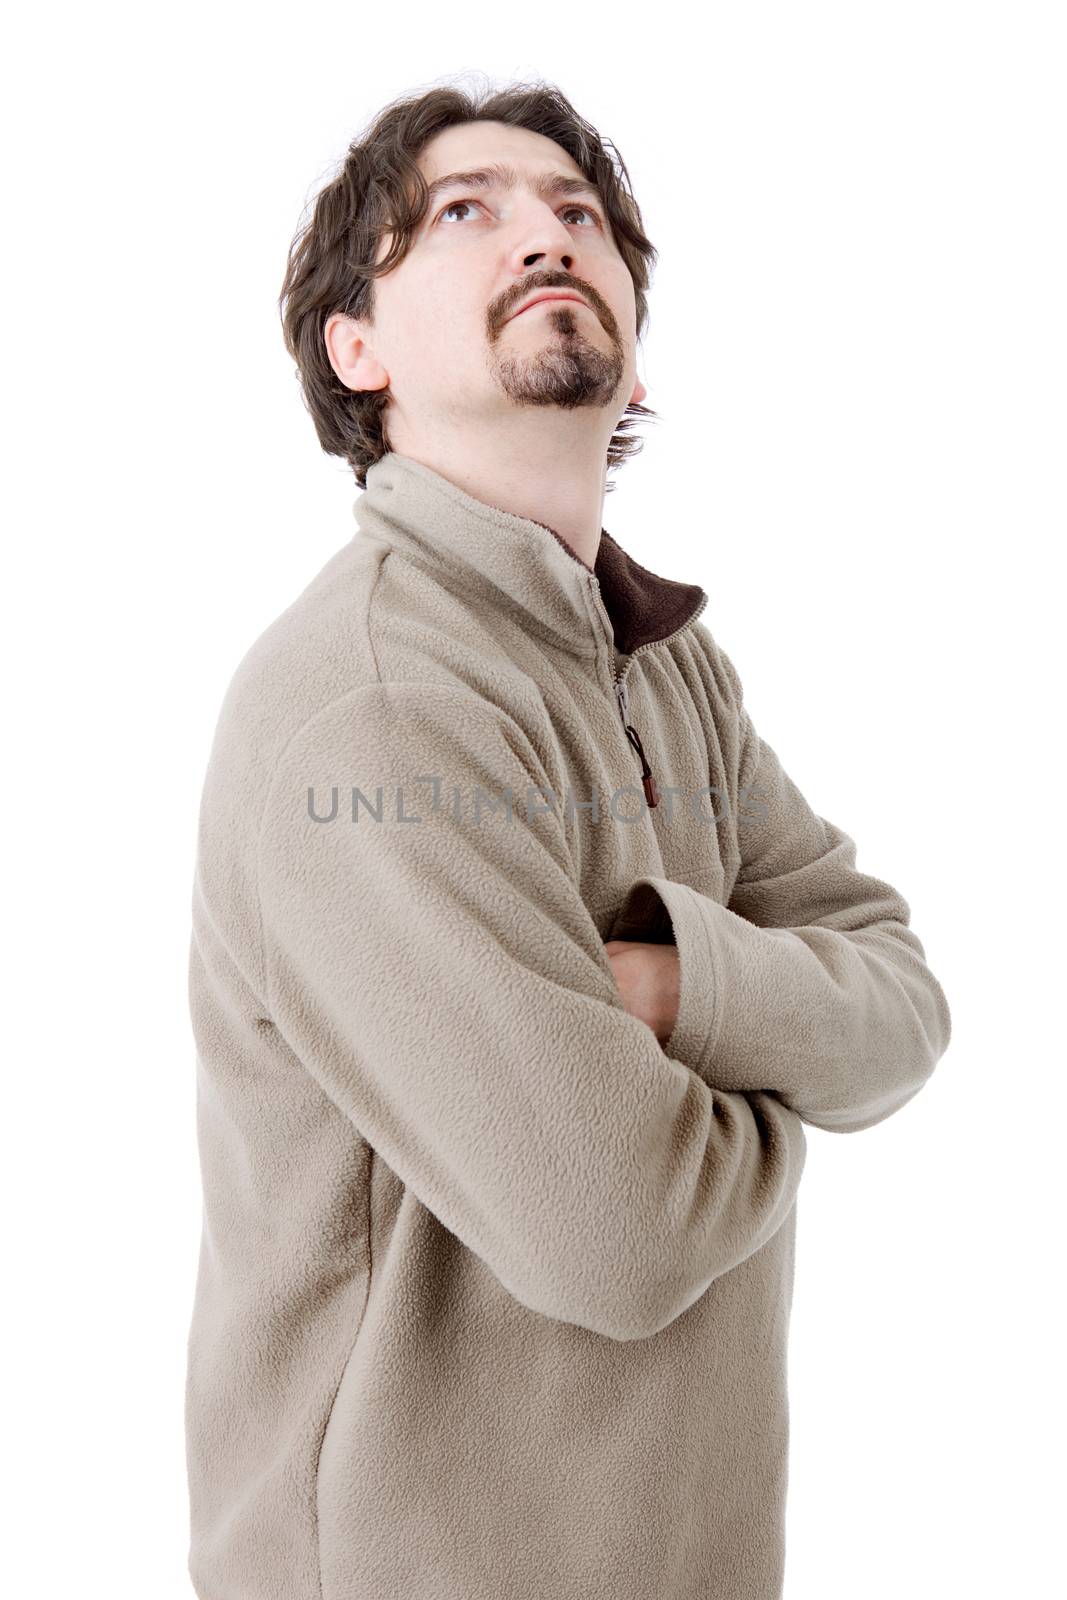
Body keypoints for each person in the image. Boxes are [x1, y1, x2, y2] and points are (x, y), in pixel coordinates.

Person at [184, 78, 952, 1600]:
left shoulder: (666, 663)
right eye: (464, 212)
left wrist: (675, 995)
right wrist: (796, 1077)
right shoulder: (376, 709)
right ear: (359, 349)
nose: (546, 233)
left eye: (577, 214)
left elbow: (907, 1006)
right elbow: (623, 1232)